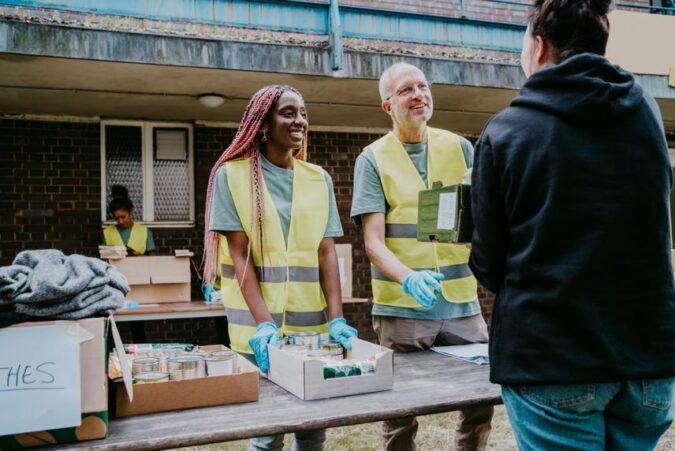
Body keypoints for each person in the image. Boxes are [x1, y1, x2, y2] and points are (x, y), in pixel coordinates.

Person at [469, 0, 675, 449]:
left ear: (539, 47)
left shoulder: (505, 132)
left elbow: (487, 262)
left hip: (553, 357)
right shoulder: (648, 116)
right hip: (647, 362)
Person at [203, 84, 358, 451]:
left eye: (303, 113)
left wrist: (336, 318)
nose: (299, 120)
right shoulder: (232, 176)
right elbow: (239, 255)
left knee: (312, 427)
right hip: (257, 333)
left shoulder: (318, 179)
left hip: (312, 328)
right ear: (262, 123)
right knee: (268, 431)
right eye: (288, 113)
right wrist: (265, 324)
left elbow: (326, 252)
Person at [351, 62, 493, 451]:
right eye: (405, 90)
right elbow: (373, 243)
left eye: (423, 86)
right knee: (400, 411)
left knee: (481, 399)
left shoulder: (460, 147)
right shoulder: (373, 159)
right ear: (387, 106)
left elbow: (480, 218)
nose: (418, 94)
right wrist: (408, 278)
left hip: (462, 302)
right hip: (402, 308)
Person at [103, 185, 156, 256]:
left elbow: (153, 258)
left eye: (123, 217)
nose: (120, 221)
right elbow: (103, 260)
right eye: (116, 218)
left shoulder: (145, 231)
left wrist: (141, 256)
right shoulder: (107, 233)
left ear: (130, 213)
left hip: (140, 266)